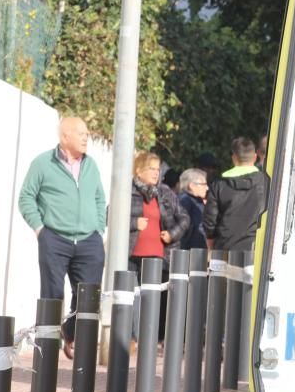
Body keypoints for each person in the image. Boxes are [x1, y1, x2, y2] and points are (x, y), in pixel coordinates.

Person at [18, 116, 107, 360]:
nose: (86, 137)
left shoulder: (91, 166)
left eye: (87, 133)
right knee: (53, 293)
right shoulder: (43, 163)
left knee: (89, 296)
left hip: (89, 240)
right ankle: (46, 352)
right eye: (81, 133)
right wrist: (39, 229)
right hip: (54, 238)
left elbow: (100, 198)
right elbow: (26, 197)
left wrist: (99, 227)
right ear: (64, 136)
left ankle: (70, 334)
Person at [129, 151, 190, 341]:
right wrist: (133, 223)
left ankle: (148, 339)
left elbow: (184, 218)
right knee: (131, 299)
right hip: (131, 254)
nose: (156, 173)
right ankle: (132, 338)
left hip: (157, 256)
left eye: (157, 169)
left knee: (151, 300)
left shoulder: (164, 192)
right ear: (139, 171)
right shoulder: (127, 191)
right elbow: (110, 216)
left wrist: (172, 234)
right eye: (151, 169)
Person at [203, 137, 269, 251]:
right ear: (254, 157)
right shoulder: (265, 182)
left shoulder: (219, 185)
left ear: (233, 157)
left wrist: (211, 243)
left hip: (224, 247)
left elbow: (210, 221)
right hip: (255, 249)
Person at [177, 168, 209, 249]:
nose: (207, 188)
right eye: (204, 184)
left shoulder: (197, 201)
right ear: (192, 186)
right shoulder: (185, 201)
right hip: (189, 251)